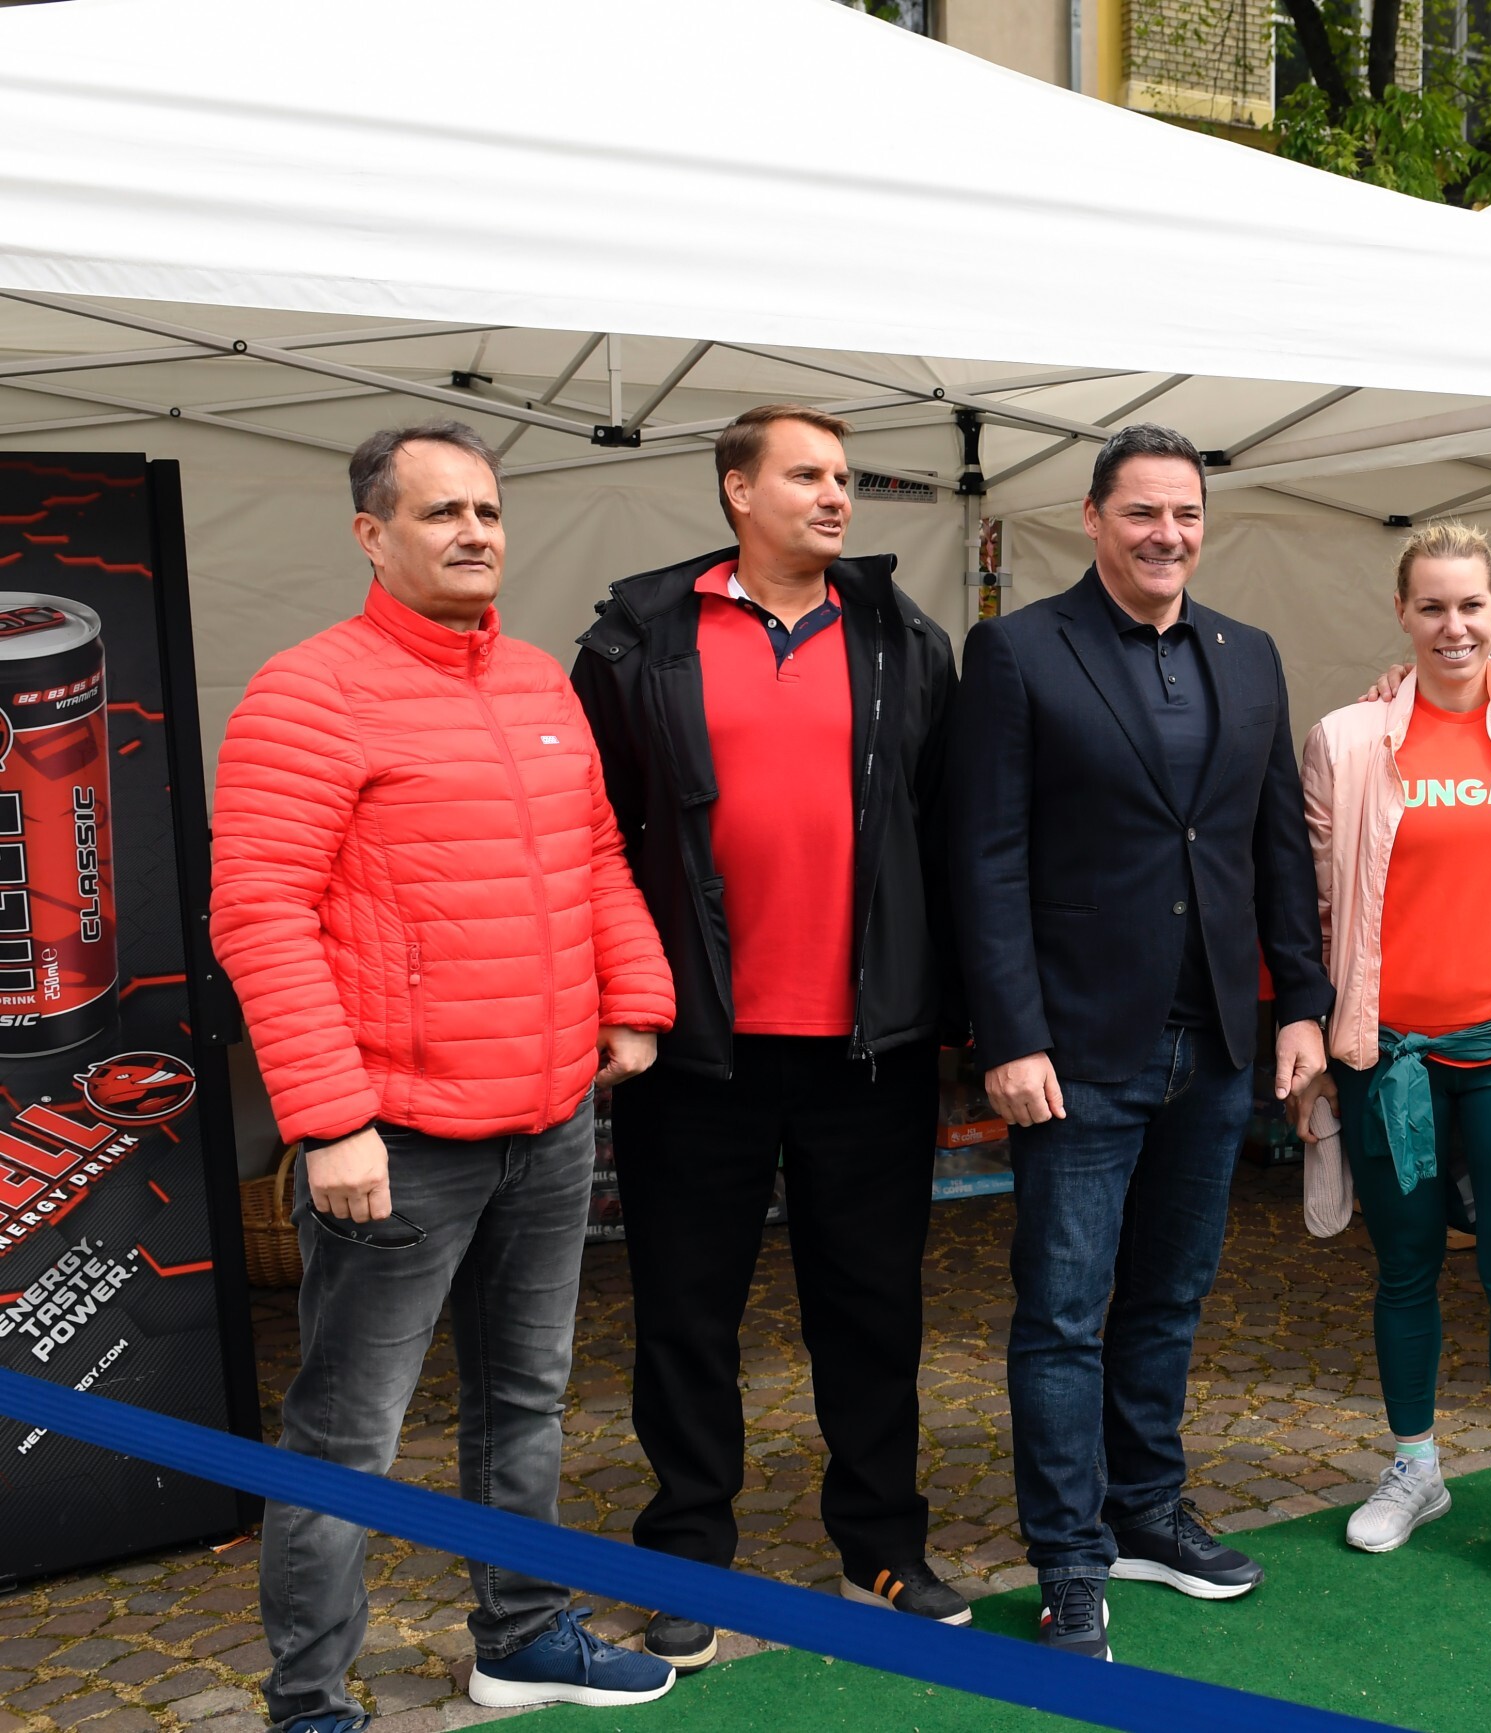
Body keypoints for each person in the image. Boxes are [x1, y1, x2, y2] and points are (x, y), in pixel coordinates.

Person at [210, 424, 679, 1732]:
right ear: (372, 535)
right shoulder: (308, 691)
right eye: (440, 512)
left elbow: (593, 855)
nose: (474, 531)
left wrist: (634, 995)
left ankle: (521, 1637)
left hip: (547, 1120)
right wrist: (331, 1119)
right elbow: (258, 912)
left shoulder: (535, 681)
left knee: (525, 1401)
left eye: (487, 509)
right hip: (397, 1138)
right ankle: (309, 1702)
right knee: (347, 1438)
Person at [571, 405, 966, 1668]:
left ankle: (880, 1543)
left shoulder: (905, 638)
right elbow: (590, 832)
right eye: (807, 475)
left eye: (844, 476)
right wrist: (619, 996)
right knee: (685, 1314)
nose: (836, 495)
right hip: (698, 1047)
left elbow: (944, 828)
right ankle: (687, 1552)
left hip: (868, 1046)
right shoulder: (639, 640)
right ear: (738, 490)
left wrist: (955, 1013)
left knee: (873, 1308)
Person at [949, 424, 1334, 1660]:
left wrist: (1301, 1003)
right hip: (1075, 1050)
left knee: (1169, 1294)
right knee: (1063, 1311)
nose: (1166, 534)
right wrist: (1009, 1032)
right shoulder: (1018, 650)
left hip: (1215, 1042)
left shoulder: (1246, 653)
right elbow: (984, 856)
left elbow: (1276, 847)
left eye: (1186, 514)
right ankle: (1067, 1559)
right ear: (1093, 518)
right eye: (1141, 513)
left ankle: (1144, 1511)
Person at [1289, 523, 1491, 1600]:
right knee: (1404, 1269)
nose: (1453, 626)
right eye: (1431, 606)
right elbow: (1312, 902)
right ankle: (1416, 1467)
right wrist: (1307, 1037)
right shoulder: (1346, 739)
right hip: (1390, 1058)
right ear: (1402, 613)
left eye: (1470, 604)